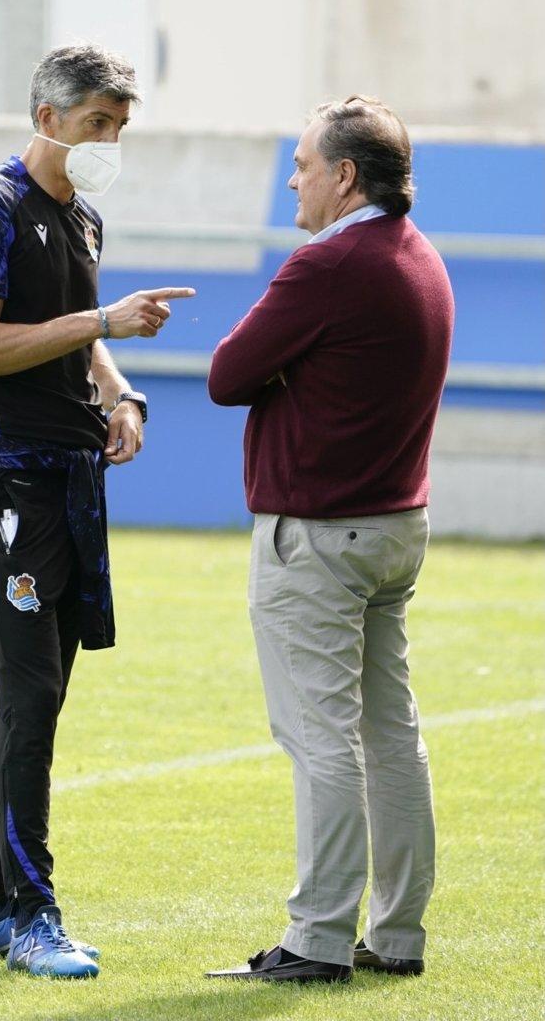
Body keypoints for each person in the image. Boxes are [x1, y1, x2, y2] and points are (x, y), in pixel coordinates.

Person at [0, 44, 194, 979]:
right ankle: (34, 917)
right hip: (8, 483)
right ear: (47, 117)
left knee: (37, 700)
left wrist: (121, 395)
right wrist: (102, 325)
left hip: (73, 480)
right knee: (31, 697)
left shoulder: (82, 216)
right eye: (98, 124)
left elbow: (81, 342)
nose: (109, 143)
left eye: (120, 128)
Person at [206, 95, 453, 984]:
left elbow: (227, 375)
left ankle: (315, 939)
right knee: (391, 734)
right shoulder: (421, 256)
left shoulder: (329, 263)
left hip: (319, 535)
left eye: (305, 163)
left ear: (345, 176)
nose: (293, 178)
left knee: (322, 739)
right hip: (395, 527)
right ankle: (397, 935)